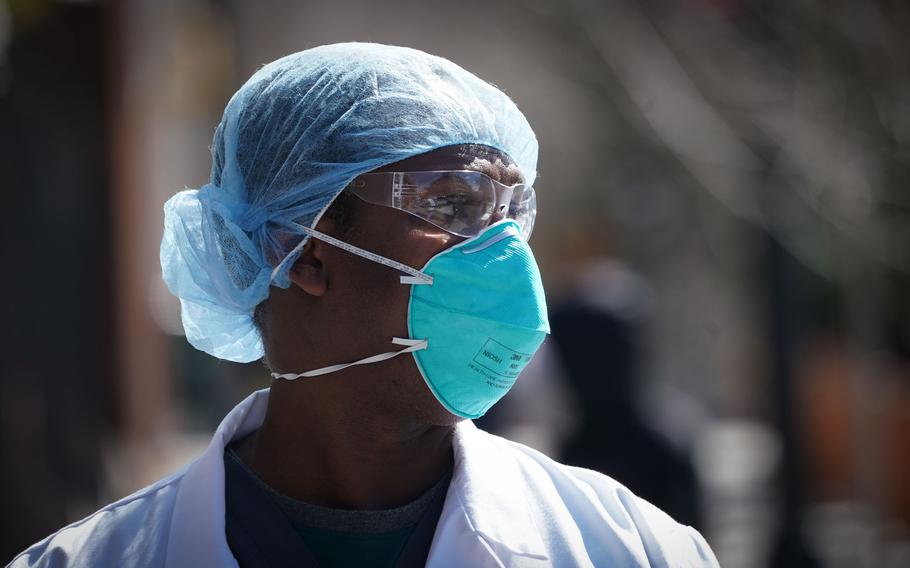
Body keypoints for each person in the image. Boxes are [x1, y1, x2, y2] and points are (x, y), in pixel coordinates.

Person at [10, 43, 719, 567]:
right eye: (453, 205)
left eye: (512, 214)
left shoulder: (630, 547)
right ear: (304, 251)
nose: (504, 254)